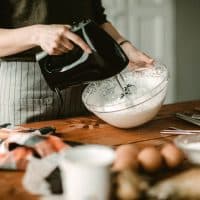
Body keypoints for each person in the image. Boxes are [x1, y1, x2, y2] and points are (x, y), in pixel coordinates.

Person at [0, 0, 154, 125]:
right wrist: (37, 35)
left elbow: (97, 18)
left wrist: (123, 46)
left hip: (87, 82)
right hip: (26, 86)